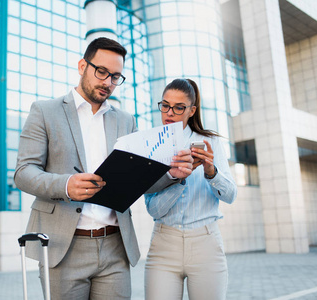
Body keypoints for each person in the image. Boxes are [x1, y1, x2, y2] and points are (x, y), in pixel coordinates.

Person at [15, 37, 192, 300]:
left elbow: (138, 182)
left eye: (116, 76)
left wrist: (169, 174)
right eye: (101, 72)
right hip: (64, 246)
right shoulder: (44, 111)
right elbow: (24, 172)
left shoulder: (125, 120)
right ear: (82, 65)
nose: (108, 82)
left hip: (114, 247)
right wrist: (66, 185)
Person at [144, 78, 238, 300]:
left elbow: (231, 195)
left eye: (179, 107)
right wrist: (176, 178)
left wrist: (210, 172)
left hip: (205, 242)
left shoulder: (210, 143)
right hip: (164, 244)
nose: (169, 112)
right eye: (165, 105)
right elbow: (153, 210)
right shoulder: (151, 146)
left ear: (192, 110)